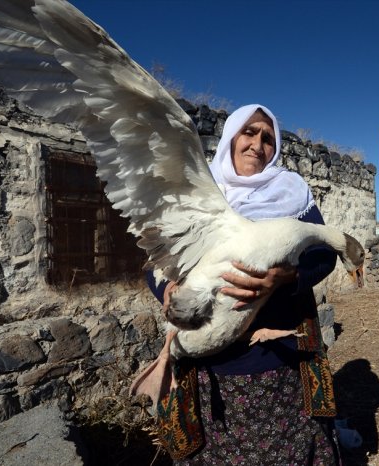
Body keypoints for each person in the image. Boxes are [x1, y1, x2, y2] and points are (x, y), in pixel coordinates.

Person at [146, 104, 341, 464]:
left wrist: (287, 278)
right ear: (231, 138)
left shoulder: (292, 192)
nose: (257, 145)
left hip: (276, 354)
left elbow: (325, 254)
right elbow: (155, 261)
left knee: (290, 447)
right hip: (210, 359)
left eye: (268, 138)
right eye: (249, 133)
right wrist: (166, 289)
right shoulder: (196, 194)